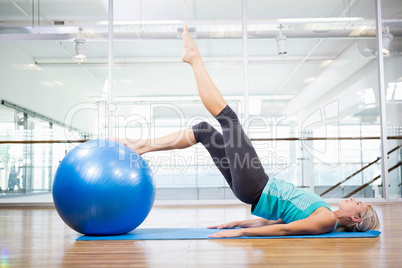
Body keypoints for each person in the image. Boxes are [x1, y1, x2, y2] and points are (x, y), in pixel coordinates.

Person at [119, 26, 380, 238]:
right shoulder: (324, 213)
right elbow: (280, 219)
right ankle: (143, 147)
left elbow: (285, 230)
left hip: (258, 186)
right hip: (252, 188)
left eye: (358, 204)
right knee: (203, 131)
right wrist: (237, 224)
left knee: (229, 119)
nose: (354, 199)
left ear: (355, 218)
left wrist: (241, 235)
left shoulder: (325, 220)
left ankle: (194, 59)